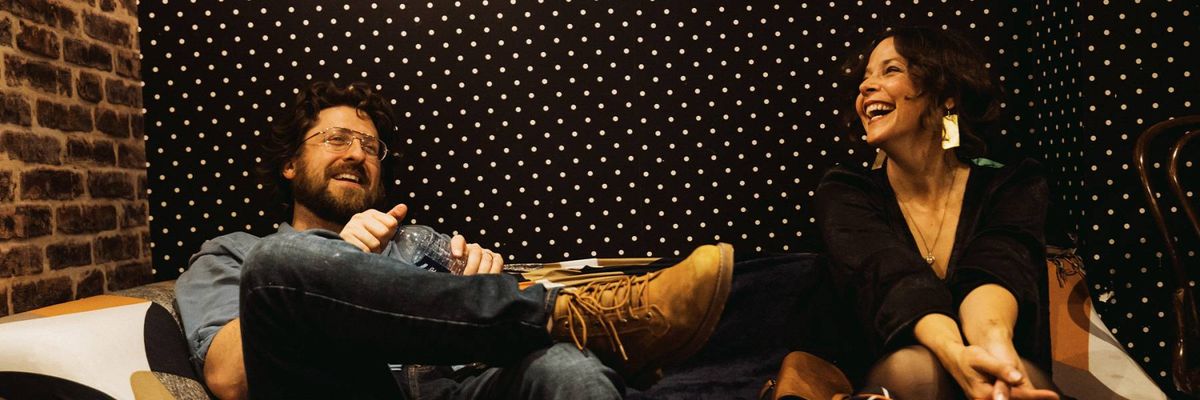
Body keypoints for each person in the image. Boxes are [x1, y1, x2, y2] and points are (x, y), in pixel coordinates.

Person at [174, 81, 734, 400]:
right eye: (337, 139)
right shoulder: (233, 253)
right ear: (291, 164)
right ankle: (584, 318)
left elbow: (488, 315)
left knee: (567, 367)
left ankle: (578, 325)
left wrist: (490, 278)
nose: (357, 154)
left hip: (455, 389)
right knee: (282, 261)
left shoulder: (417, 240)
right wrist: (343, 253)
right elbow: (229, 378)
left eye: (371, 147)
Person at [809, 27, 1061, 399]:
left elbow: (1000, 268)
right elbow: (891, 280)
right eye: (865, 77)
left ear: (946, 96)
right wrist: (955, 355)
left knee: (1020, 380)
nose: (866, 87)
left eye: (890, 70)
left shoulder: (1013, 184)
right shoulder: (845, 191)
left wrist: (997, 356)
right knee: (916, 369)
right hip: (892, 380)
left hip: (998, 365)